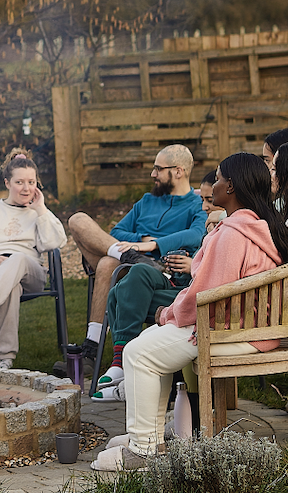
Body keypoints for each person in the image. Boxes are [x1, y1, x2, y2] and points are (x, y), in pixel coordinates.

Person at [92, 152, 288, 472]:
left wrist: (167, 315)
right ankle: (150, 437)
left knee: (138, 353)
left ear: (231, 187)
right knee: (146, 343)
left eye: (217, 178)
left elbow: (206, 295)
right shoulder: (255, 223)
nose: (212, 185)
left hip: (232, 328)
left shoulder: (233, 234)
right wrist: (171, 315)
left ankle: (143, 450)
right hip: (244, 322)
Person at [66, 145, 207, 383]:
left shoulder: (197, 203)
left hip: (161, 270)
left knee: (106, 265)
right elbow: (116, 231)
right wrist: (139, 243)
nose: (153, 174)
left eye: (158, 169)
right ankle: (125, 258)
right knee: (78, 220)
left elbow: (196, 234)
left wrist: (154, 245)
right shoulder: (147, 201)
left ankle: (91, 349)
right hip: (131, 260)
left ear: (179, 171)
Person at [91, 168, 225, 400]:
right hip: (173, 279)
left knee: (120, 294)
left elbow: (220, 273)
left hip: (198, 297)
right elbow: (117, 231)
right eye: (202, 199)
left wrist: (192, 264)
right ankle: (123, 367)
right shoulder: (148, 202)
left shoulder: (226, 229)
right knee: (139, 273)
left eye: (209, 200)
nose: (204, 207)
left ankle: (123, 367)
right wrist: (146, 241)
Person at [0, 148, 66, 371]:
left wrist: (41, 209)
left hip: (29, 271)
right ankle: (5, 359)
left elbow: (55, 243)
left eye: (31, 182)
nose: (26, 188)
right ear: (7, 183)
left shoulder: (39, 212)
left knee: (18, 259)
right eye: (19, 182)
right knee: (10, 284)